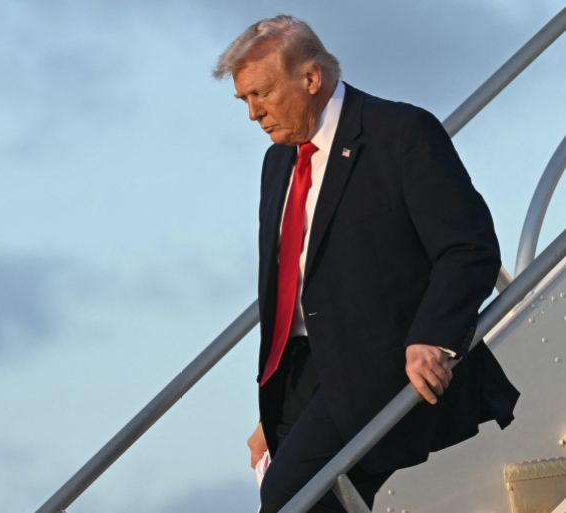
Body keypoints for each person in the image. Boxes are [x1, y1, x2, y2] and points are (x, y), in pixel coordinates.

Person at [213, 15, 520, 513]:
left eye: (262, 94)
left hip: (377, 364)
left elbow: (469, 248)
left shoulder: (400, 133)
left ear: (310, 78)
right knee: (311, 502)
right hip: (299, 375)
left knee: (292, 498)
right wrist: (274, 410)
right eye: (244, 100)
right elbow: (300, 283)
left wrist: (434, 336)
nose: (253, 114)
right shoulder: (278, 162)